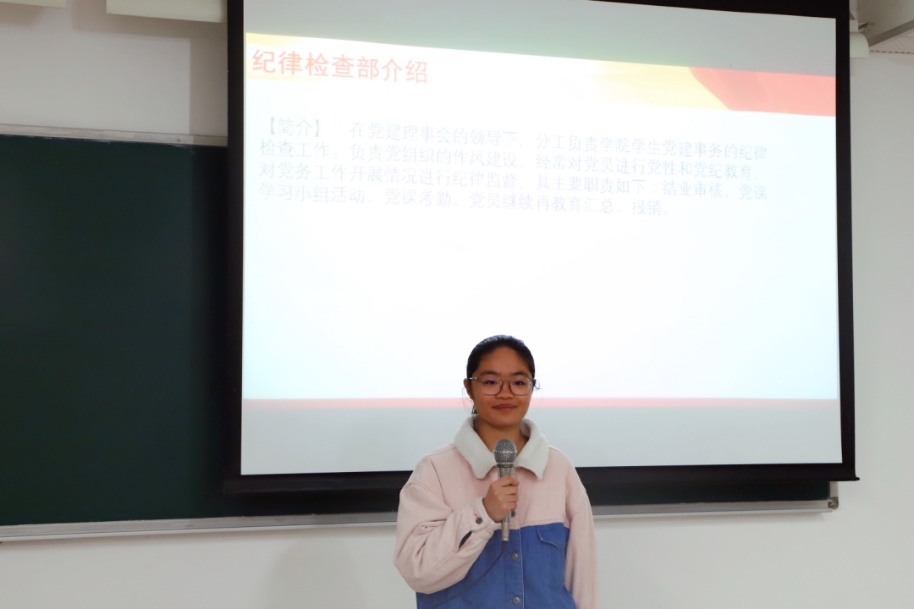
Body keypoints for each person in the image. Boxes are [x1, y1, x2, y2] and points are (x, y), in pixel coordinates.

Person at [394, 335, 597, 609]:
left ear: (532, 387)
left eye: (519, 382)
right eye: (491, 382)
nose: (505, 393)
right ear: (469, 388)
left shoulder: (558, 469)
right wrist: (483, 514)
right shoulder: (435, 470)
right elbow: (418, 571)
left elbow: (582, 579)